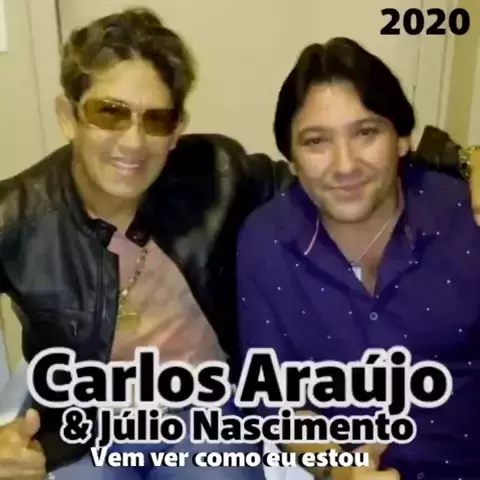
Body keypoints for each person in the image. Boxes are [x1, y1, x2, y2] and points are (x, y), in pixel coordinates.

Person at [0, 7, 476, 480]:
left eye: (157, 119)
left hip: (201, 413)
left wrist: (468, 161)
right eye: (109, 112)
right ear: (68, 117)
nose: (133, 142)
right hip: (85, 426)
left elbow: (341, 181)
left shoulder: (220, 175)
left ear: (177, 130)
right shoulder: (13, 218)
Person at [235, 37, 480, 480]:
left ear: (402, 139)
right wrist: (340, 470)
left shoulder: (466, 220)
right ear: (292, 158)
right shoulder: (267, 241)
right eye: (316, 141)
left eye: (366, 133)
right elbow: (274, 398)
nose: (345, 166)